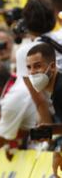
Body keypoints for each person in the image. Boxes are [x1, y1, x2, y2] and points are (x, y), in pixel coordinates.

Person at [25, 43, 62, 178]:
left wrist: (59, 151)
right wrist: (52, 130)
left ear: (52, 66)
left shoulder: (59, 91)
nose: (33, 72)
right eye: (29, 67)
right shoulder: (57, 88)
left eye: (38, 66)